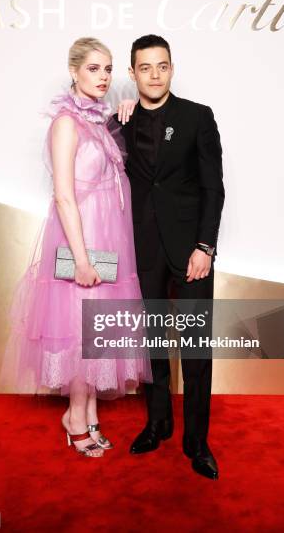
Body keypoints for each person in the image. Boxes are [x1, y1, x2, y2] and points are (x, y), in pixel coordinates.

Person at [0, 37, 151, 458]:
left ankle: (85, 413)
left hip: (107, 239)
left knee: (95, 334)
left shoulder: (100, 123)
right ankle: (75, 417)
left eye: (108, 69)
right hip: (78, 242)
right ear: (74, 71)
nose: (103, 77)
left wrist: (125, 114)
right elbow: (64, 195)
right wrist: (81, 259)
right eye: (94, 69)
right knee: (79, 331)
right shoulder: (66, 123)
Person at [111, 34, 225, 479]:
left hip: (192, 252)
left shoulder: (198, 117)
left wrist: (206, 247)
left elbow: (213, 188)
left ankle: (197, 441)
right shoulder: (119, 123)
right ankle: (157, 423)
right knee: (154, 343)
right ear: (132, 73)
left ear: (172, 68)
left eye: (162, 66)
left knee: (196, 349)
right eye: (145, 67)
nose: (154, 74)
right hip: (146, 249)